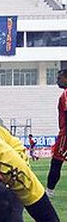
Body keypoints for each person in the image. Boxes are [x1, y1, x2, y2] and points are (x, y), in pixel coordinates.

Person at [46, 69, 67, 197]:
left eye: (59, 78)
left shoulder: (66, 94)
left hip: (65, 134)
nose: (57, 81)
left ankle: (49, 191)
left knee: (56, 161)